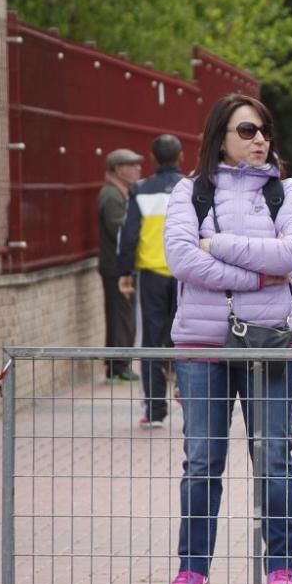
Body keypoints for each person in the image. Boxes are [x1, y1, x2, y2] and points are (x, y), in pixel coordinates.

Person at [161, 93, 292, 584]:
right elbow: (181, 258)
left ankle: (281, 569)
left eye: (265, 130)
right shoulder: (190, 191)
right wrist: (262, 276)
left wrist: (217, 246)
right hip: (202, 342)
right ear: (220, 137)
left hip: (270, 341)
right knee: (202, 460)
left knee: (273, 457)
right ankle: (192, 572)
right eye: (247, 131)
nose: (260, 140)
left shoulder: (285, 191)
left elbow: (291, 252)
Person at [117, 135, 184, 427]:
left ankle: (155, 410)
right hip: (186, 274)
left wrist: (124, 272)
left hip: (152, 277)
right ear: (181, 157)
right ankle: (191, 397)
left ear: (153, 159)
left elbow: (129, 235)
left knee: (151, 341)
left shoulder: (140, 190)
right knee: (188, 339)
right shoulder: (191, 187)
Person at [98, 148, 142, 382]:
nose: (138, 169)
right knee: (121, 316)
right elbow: (120, 232)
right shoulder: (112, 196)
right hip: (118, 269)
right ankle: (118, 365)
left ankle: (118, 363)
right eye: (132, 165)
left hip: (121, 267)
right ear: (118, 169)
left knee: (123, 315)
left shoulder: (121, 193)